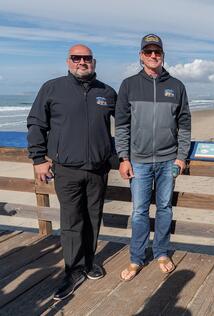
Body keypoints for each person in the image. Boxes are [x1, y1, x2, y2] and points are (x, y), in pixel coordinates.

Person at [27, 44, 117, 300]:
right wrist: (38, 159)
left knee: (93, 217)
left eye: (86, 58)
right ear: (68, 62)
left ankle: (89, 262)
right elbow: (36, 123)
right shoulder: (52, 88)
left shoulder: (107, 92)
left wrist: (120, 158)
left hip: (98, 170)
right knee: (71, 221)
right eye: (76, 58)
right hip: (65, 169)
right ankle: (73, 269)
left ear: (94, 62)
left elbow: (125, 126)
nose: (81, 62)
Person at [115, 34, 191, 281]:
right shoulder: (128, 85)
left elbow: (185, 124)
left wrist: (181, 157)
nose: (153, 55)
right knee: (139, 211)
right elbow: (122, 125)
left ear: (163, 55)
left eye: (157, 51)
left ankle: (161, 252)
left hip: (169, 160)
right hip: (138, 160)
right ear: (141, 56)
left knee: (165, 209)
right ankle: (136, 258)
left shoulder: (177, 86)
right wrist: (123, 157)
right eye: (148, 52)